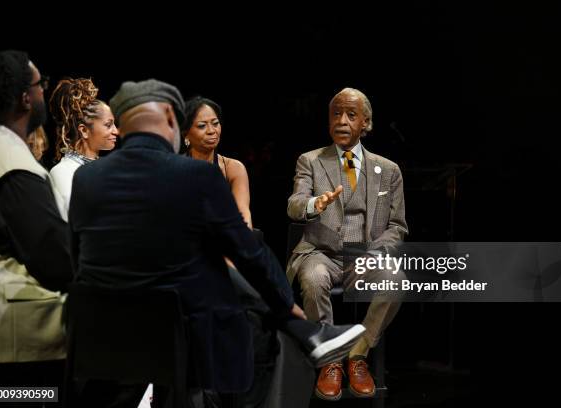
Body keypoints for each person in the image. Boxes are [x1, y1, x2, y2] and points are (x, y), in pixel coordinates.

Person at [68, 79, 365, 406]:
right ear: (171, 118)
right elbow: (249, 252)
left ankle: (304, 332)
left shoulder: (86, 179)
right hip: (174, 333)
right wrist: (287, 308)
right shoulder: (195, 175)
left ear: (122, 126)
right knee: (242, 309)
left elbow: (77, 257)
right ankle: (305, 333)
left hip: (101, 332)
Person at [287, 87, 408, 400]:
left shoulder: (389, 170)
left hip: (365, 256)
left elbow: (397, 227)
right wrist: (316, 204)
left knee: (396, 280)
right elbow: (295, 204)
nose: (341, 120)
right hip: (321, 253)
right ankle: (329, 362)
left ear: (365, 123)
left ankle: (357, 353)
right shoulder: (310, 161)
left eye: (350, 115)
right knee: (313, 280)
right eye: (336, 114)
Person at [0, 50, 73, 406]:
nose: (42, 94)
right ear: (24, 98)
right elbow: (53, 258)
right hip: (16, 341)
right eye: (40, 86)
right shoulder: (11, 161)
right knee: (27, 399)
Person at [48, 78, 118, 216]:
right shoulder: (63, 172)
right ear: (84, 130)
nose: (116, 131)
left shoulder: (109, 168)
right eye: (108, 125)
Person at [183, 96, 252, 228]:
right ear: (185, 133)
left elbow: (242, 213)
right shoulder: (172, 168)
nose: (211, 131)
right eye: (202, 126)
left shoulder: (233, 168)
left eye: (215, 123)